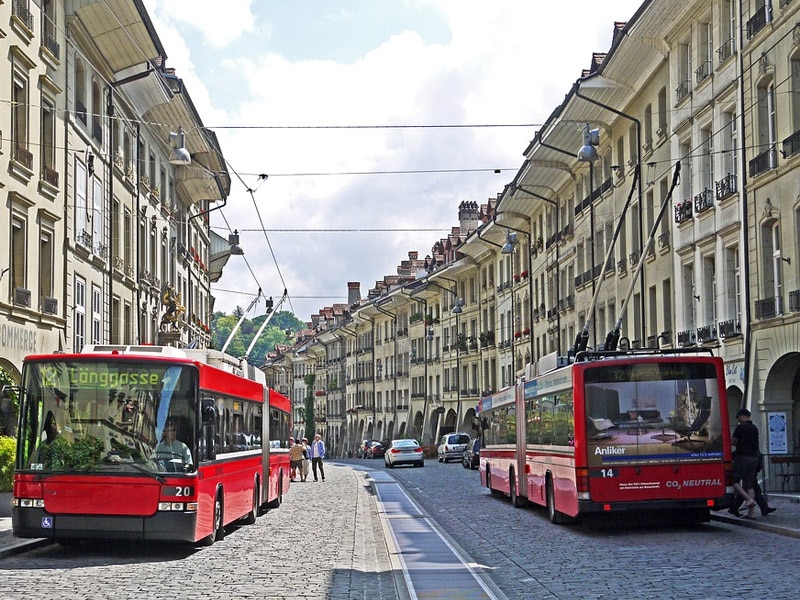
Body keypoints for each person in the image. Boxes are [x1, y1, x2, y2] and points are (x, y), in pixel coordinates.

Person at [729, 408, 760, 520]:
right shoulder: (754, 427)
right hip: (754, 458)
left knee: (734, 480)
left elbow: (734, 442)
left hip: (743, 457)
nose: (739, 420)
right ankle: (751, 513)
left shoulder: (740, 427)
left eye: (738, 417)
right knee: (750, 485)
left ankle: (748, 499)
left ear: (743, 416)